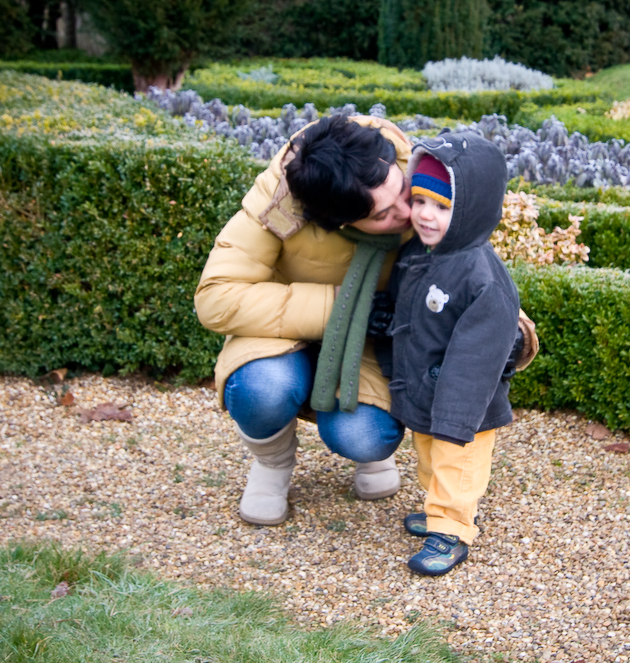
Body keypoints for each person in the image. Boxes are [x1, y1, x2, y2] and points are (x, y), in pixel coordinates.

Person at [194, 114, 415, 526]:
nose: (407, 213)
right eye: (383, 214)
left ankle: (368, 456)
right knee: (262, 389)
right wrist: (342, 309)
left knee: (364, 436)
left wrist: (515, 331)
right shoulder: (281, 197)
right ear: (336, 222)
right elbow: (216, 297)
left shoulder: (416, 169)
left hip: (370, 341)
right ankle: (272, 464)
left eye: (402, 191)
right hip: (283, 333)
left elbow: (471, 267)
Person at [382, 132, 536, 576]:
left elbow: (477, 357)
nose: (426, 216)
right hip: (430, 389)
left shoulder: (481, 277)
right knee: (429, 457)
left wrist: (456, 416)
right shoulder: (426, 252)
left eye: (443, 207)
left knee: (456, 461)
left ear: (470, 210)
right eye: (421, 201)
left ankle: (451, 528)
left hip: (465, 404)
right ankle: (438, 511)